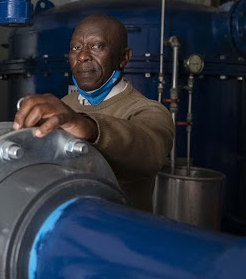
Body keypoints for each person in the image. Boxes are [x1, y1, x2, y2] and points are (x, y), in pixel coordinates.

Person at [13, 14, 174, 211]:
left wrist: (89, 127)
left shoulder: (148, 111)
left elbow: (151, 150)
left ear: (124, 57)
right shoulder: (65, 105)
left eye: (97, 46)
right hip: (64, 223)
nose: (82, 56)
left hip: (119, 231)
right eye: (76, 48)